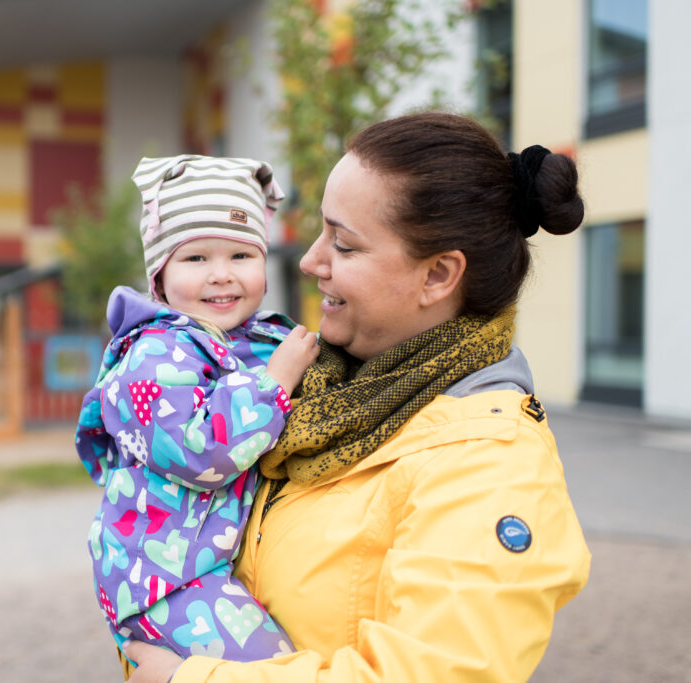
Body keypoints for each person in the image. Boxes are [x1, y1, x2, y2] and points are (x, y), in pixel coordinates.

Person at [123, 112, 593, 682]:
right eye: (321, 232)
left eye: (343, 245)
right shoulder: (320, 388)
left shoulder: (490, 465)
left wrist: (186, 678)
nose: (308, 261)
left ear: (438, 275)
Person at [76, 155, 321, 665]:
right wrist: (276, 382)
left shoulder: (258, 338)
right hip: (162, 577)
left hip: (212, 559)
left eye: (240, 255)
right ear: (160, 279)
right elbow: (199, 452)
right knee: (271, 669)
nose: (221, 276)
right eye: (196, 259)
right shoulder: (154, 355)